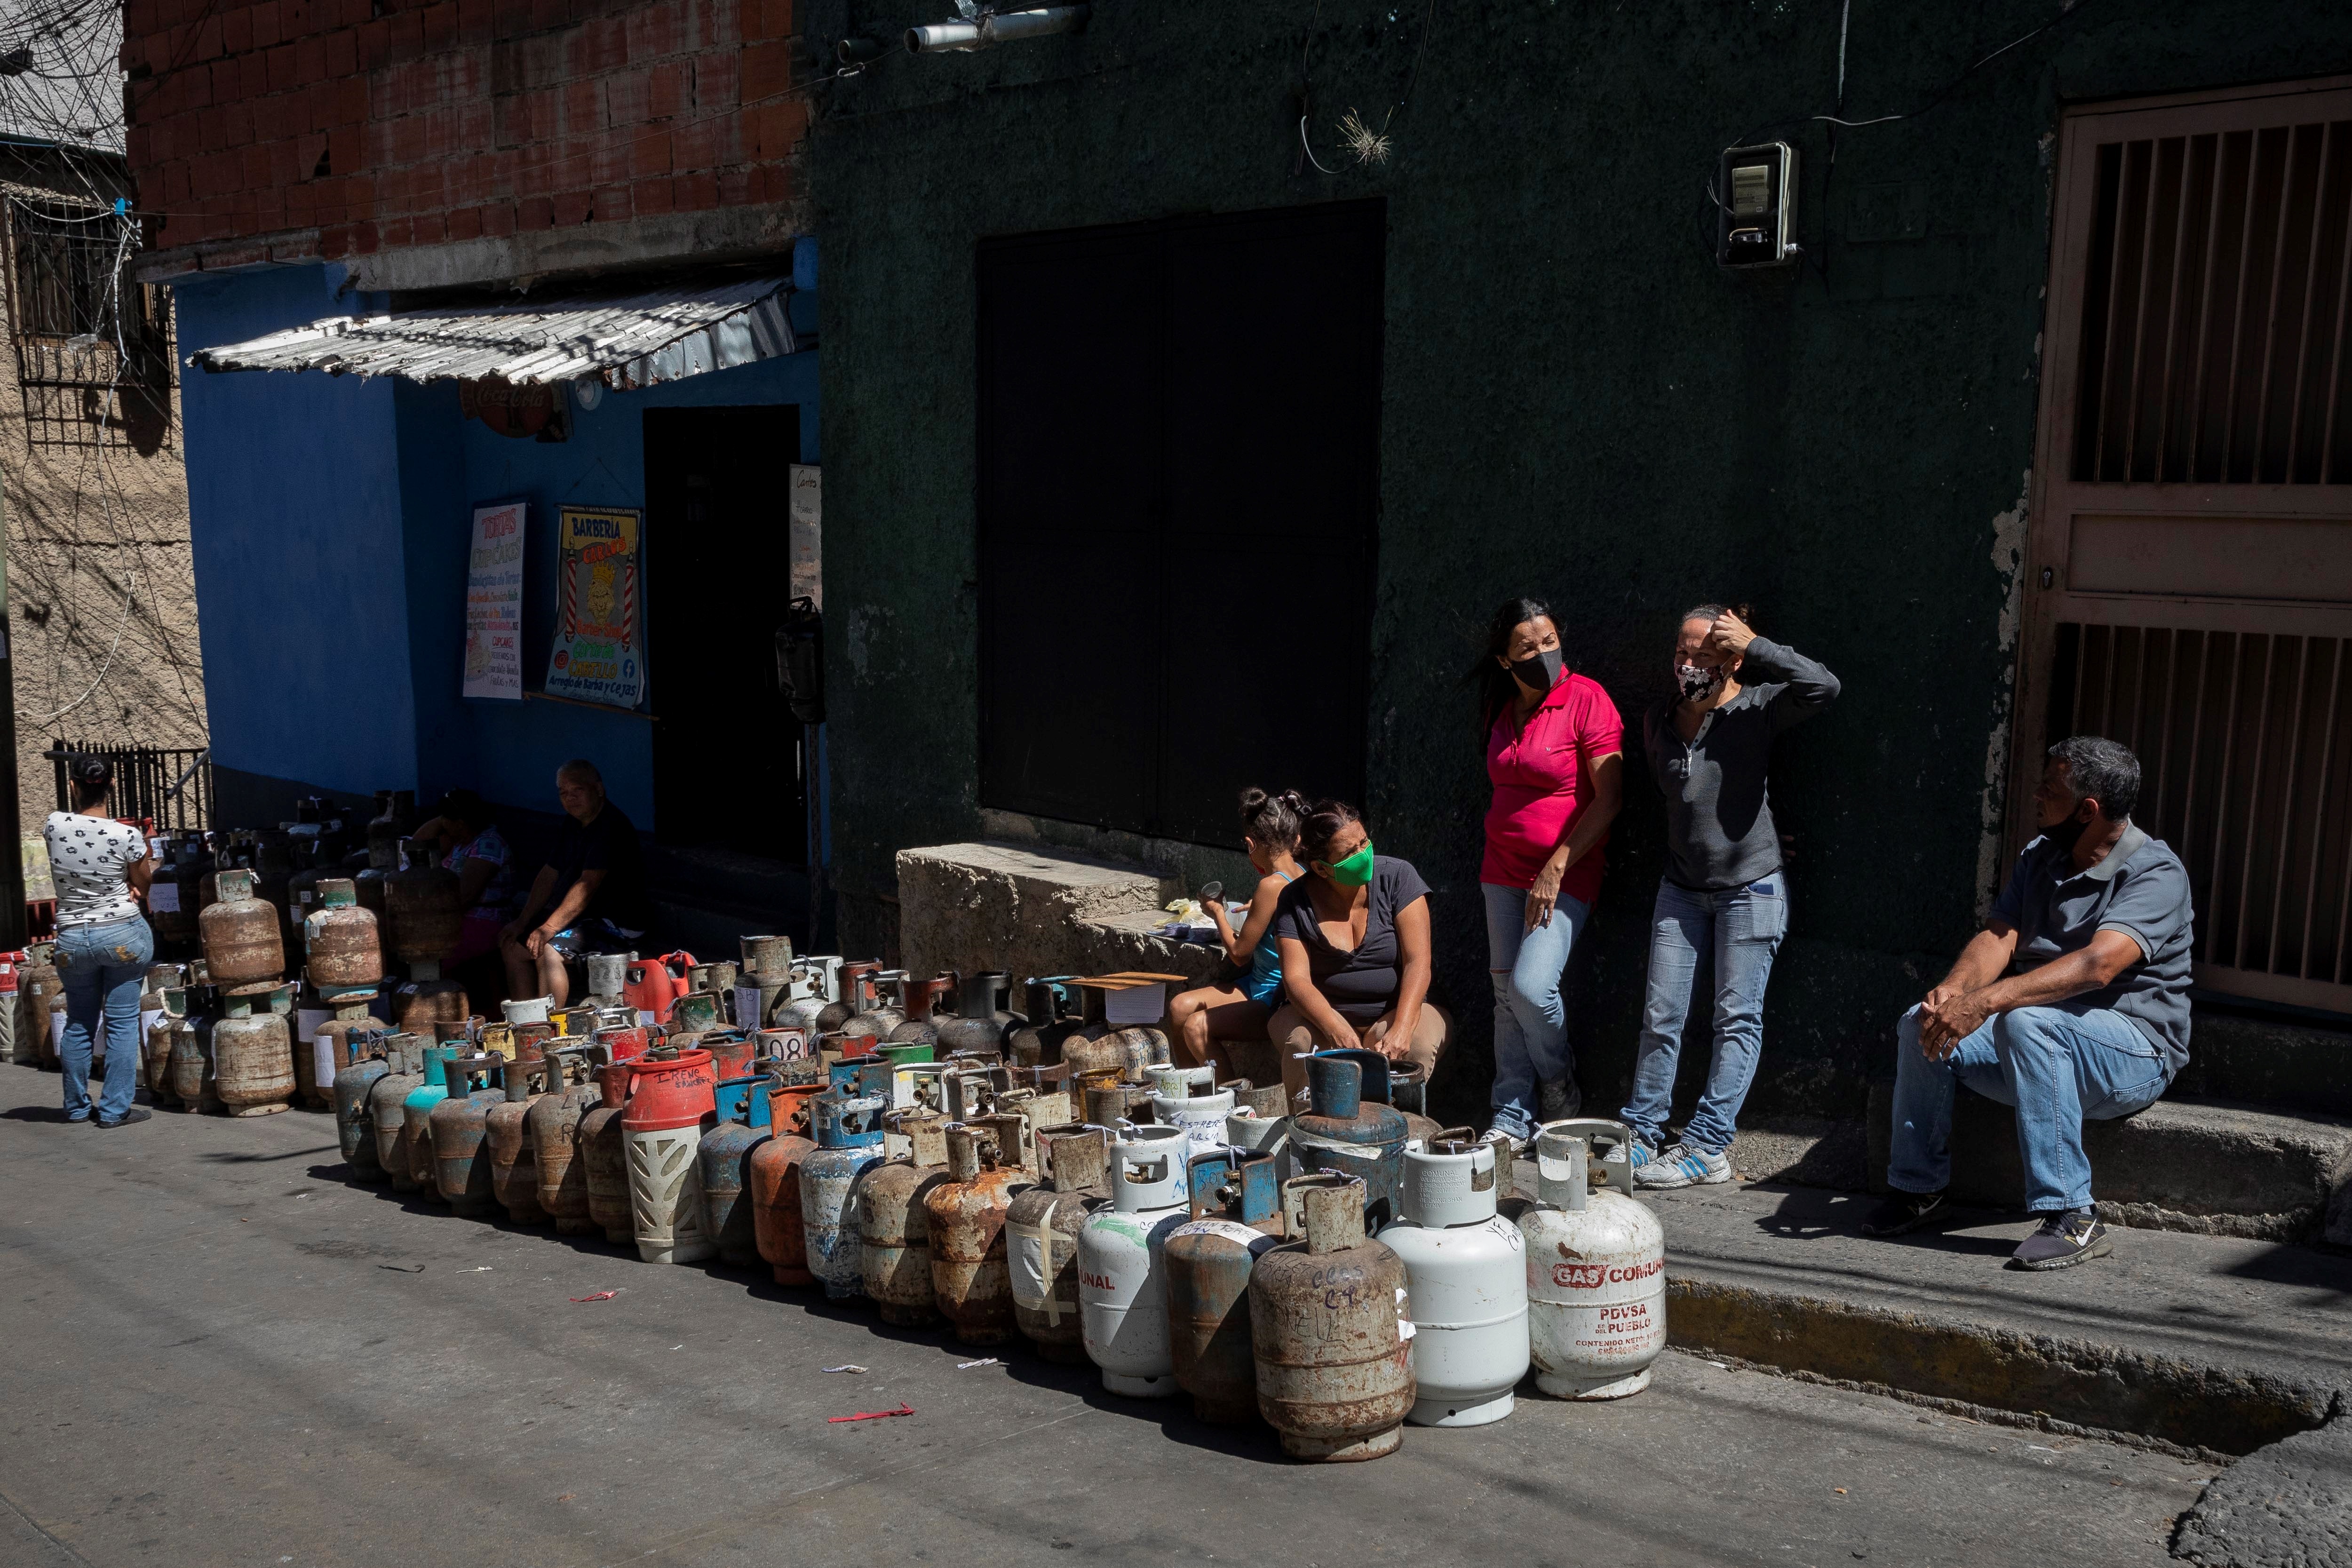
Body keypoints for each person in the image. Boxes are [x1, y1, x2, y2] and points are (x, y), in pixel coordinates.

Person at [1863, 737, 2191, 1270]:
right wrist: (1958, 989)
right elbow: (2000, 937)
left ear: (2087, 811)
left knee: (2026, 1023)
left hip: (2133, 1054)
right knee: (1918, 1024)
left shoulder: (2155, 872)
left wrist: (1987, 1002)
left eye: (2048, 789)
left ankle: (2073, 1214)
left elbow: (2098, 965)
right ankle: (1917, 1188)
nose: (2035, 796)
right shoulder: (2040, 857)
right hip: (2039, 1040)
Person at [1623, 604, 1839, 1188]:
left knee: (1735, 1020)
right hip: (1681, 890)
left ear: (1733, 660)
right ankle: (1641, 1135)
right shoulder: (1657, 721)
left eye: (1704, 654)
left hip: (1751, 892)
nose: (1688, 663)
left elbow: (1823, 686)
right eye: (1682, 652)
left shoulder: (1758, 709)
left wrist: (1757, 642)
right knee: (1660, 1015)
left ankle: (1707, 1146)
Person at [1472, 596, 1624, 1148]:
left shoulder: (1587, 700)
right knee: (1501, 992)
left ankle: (1558, 1083)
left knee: (1531, 988)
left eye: (1549, 640)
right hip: (1501, 869)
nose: (1543, 653)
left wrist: (1556, 865)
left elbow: (1608, 799)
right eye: (1526, 647)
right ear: (1504, 661)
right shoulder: (1500, 706)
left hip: (1565, 871)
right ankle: (1510, 1114)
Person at [1268, 799, 1449, 1106]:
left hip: (1392, 1012)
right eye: (1349, 853)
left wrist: (1402, 1028)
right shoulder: (1294, 899)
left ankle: (1400, 1136)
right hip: (1319, 1017)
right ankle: (1307, 1136)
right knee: (1304, 1045)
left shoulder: (1399, 877)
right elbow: (1296, 980)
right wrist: (1336, 1028)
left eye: (1364, 842)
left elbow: (1418, 961)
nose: (1363, 854)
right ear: (1321, 869)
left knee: (1416, 1046)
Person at [43, 758, 156, 1127]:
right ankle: (113, 1109)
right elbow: (144, 881)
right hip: (122, 932)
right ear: (111, 786)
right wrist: (133, 884)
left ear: (74, 786)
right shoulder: (126, 836)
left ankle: (76, 1107)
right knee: (122, 1022)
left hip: (72, 937)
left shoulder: (54, 824)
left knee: (80, 1020)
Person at [1172, 788, 1307, 1081]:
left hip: (1272, 997)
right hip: (1259, 984)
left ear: (1250, 844)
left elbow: (1239, 954)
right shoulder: (1301, 873)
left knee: (1197, 1025)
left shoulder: (1270, 886)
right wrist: (1257, 908)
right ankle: (1189, 1095)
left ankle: (1226, 1105)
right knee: (1179, 1007)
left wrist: (1217, 912)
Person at [501, 759, 652, 1007]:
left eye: (577, 790)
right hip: (585, 919)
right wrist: (523, 922)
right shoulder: (573, 823)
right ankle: (525, 1023)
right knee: (513, 948)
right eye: (564, 793)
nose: (570, 798)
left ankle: (550, 1028)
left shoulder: (610, 826)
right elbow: (550, 872)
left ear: (598, 790)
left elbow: (588, 884)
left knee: (548, 951)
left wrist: (548, 928)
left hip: (619, 922)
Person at [411, 788, 515, 968]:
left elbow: (465, 896)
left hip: (484, 920)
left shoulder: (488, 844)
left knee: (429, 951)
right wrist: (445, 817)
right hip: (459, 916)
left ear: (460, 823)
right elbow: (416, 843)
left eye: (446, 820)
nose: (442, 824)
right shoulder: (458, 841)